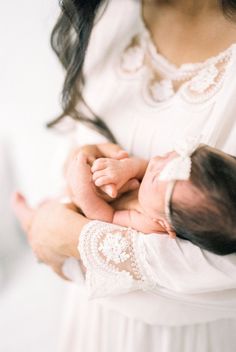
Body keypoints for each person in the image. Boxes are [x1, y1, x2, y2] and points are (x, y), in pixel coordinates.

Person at [12, 0, 236, 351]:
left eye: (161, 169)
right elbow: (84, 144)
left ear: (165, 227)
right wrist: (90, 159)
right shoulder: (109, 12)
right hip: (95, 319)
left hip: (186, 339)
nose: (160, 160)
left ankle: (32, 220)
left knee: (44, 219)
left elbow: (105, 220)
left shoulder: (146, 220)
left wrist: (63, 232)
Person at [68, 143, 236, 255]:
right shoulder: (161, 191)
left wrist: (83, 191)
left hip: (83, 201)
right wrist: (127, 168)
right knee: (104, 149)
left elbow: (108, 218)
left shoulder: (149, 221)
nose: (154, 161)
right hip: (105, 174)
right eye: (166, 156)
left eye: (156, 177)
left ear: (164, 223)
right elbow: (145, 166)